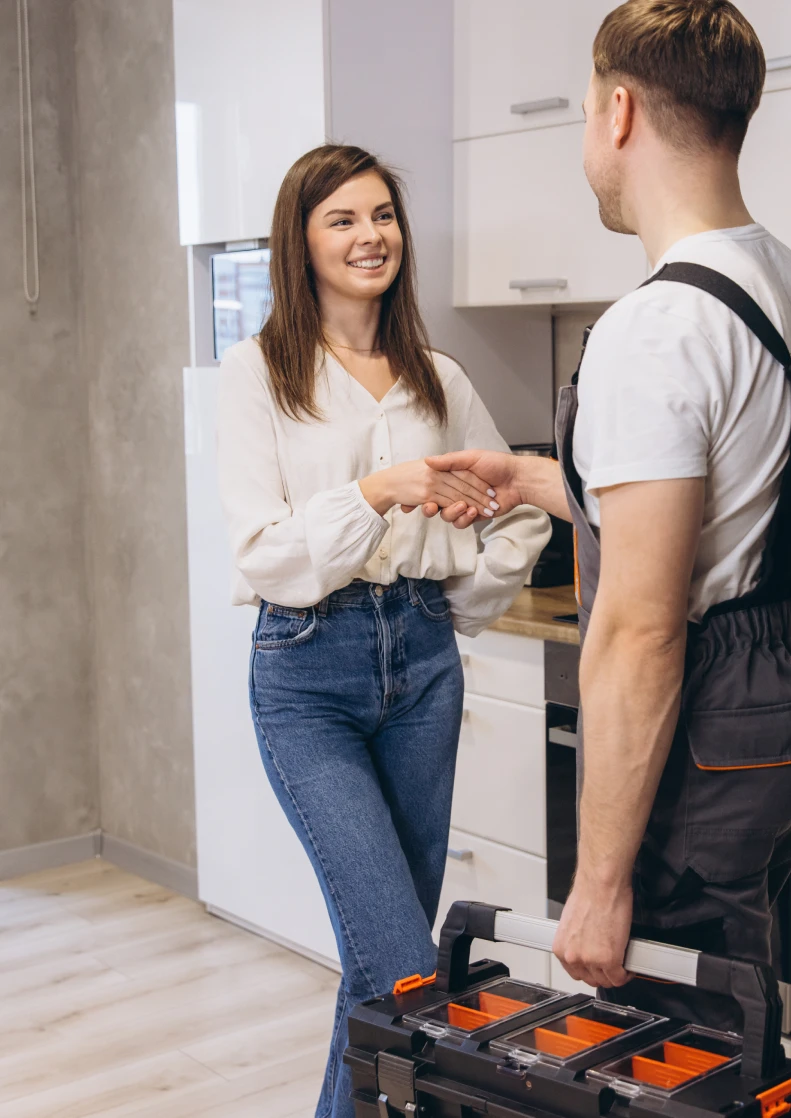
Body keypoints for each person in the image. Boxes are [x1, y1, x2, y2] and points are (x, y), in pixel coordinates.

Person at [428, 0, 791, 1040]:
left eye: (580, 114)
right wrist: (532, 477)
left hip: (702, 711)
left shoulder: (655, 327)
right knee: (732, 1011)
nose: (584, 143)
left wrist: (600, 878)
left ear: (618, 112)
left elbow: (643, 619)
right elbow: (734, 508)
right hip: (785, 696)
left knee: (670, 1043)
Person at [216, 144, 550, 1118]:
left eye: (382, 216)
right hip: (306, 672)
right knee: (404, 963)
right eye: (343, 219)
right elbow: (264, 553)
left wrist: (463, 594)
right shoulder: (261, 371)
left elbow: (518, 499)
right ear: (303, 240)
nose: (371, 236)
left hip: (423, 663)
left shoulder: (436, 375)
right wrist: (374, 489)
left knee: (382, 964)